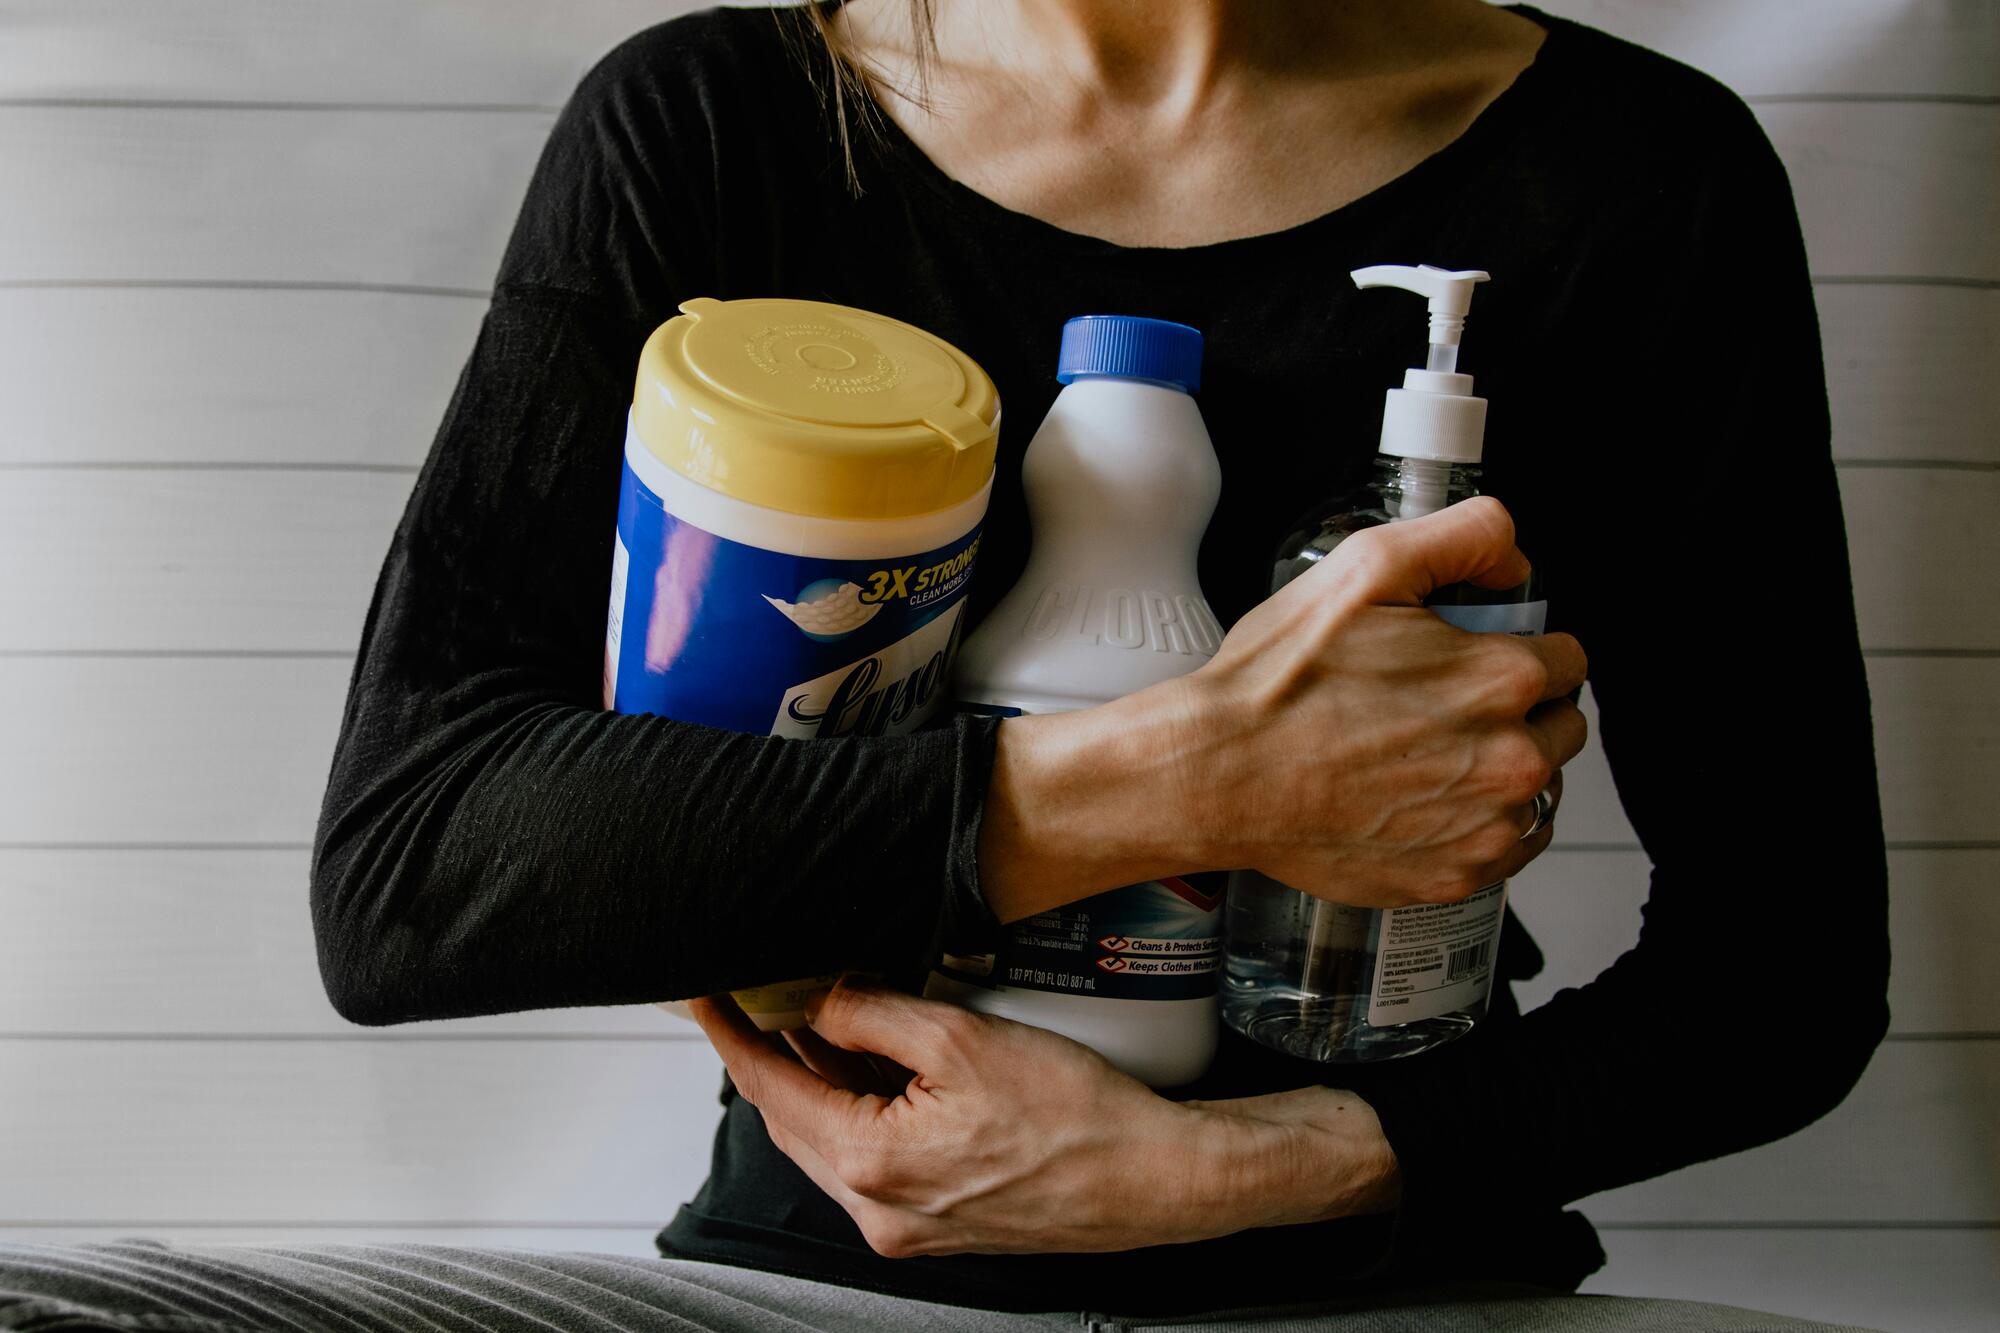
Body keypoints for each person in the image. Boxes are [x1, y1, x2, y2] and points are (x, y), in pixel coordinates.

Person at [0, 2, 1888, 1330]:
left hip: (1400, 1278)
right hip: (824, 1283)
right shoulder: (721, 123)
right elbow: (415, 876)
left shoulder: (1639, 177)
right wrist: (1182, 780)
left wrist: (1247, 1170)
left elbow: (1784, 977)